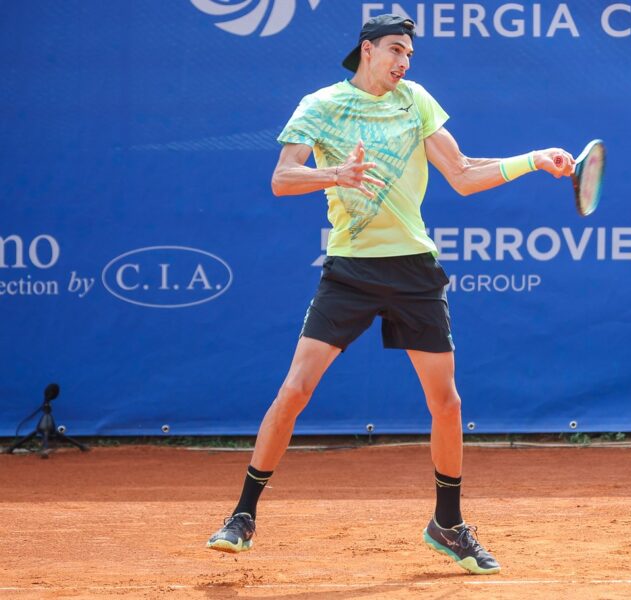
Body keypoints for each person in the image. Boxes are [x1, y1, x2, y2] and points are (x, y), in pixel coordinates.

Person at [206, 14, 575, 575]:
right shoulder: (322, 105)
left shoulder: (416, 101)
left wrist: (534, 159)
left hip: (413, 270)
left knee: (446, 402)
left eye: (410, 55)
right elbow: (283, 178)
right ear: (367, 50)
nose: (404, 62)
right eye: (396, 50)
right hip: (350, 270)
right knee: (296, 389)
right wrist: (337, 176)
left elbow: (463, 173)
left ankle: (447, 525)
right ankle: (243, 515)